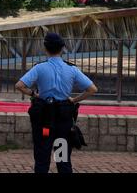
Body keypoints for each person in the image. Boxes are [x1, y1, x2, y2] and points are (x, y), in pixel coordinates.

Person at [15, 33, 98, 174]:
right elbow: (92, 89)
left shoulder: (39, 68)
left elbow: (19, 85)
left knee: (42, 158)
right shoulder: (71, 69)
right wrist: (73, 100)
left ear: (45, 48)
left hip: (44, 121)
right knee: (62, 158)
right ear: (63, 48)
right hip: (63, 120)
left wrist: (34, 95)